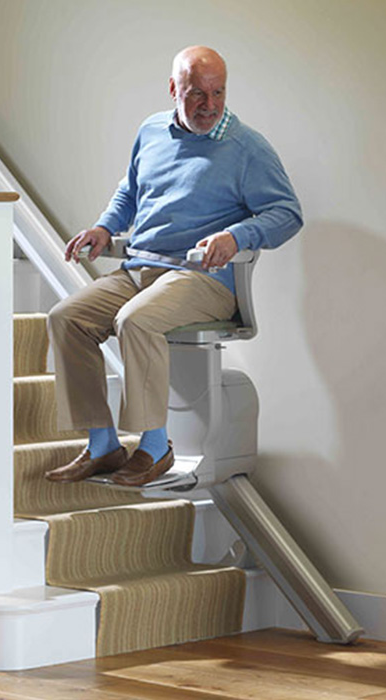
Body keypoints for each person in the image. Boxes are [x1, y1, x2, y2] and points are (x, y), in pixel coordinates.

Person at [45, 45, 303, 487]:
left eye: (217, 93)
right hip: (140, 268)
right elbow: (129, 191)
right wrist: (105, 228)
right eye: (196, 94)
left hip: (203, 278)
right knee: (67, 317)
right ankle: (104, 444)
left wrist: (235, 236)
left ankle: (154, 446)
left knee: (136, 321)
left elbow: (287, 214)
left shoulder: (247, 149)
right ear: (173, 90)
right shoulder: (151, 132)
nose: (209, 105)